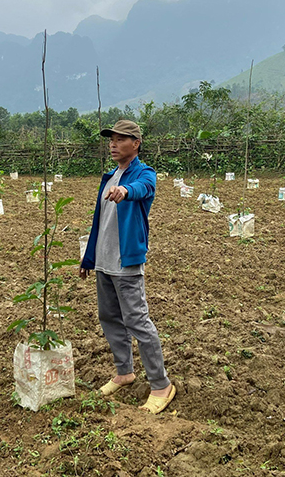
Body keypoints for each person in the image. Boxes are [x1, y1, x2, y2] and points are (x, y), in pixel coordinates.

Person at [79, 120, 175, 414]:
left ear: (136, 144)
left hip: (126, 262)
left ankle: (161, 384)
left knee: (137, 321)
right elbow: (100, 222)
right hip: (105, 262)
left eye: (121, 139)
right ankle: (125, 373)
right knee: (108, 317)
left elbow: (142, 188)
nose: (113, 144)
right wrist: (88, 259)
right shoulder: (109, 176)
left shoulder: (143, 174)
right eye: (111, 139)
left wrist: (126, 191)